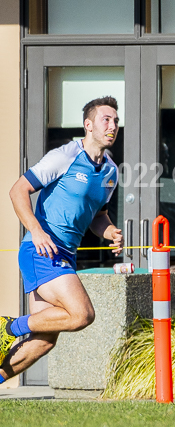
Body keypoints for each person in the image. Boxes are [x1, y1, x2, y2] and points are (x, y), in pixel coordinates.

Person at [0, 96, 123, 385]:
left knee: (44, 342)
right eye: (106, 119)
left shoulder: (110, 172)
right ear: (88, 125)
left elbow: (97, 217)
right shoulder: (64, 156)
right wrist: (36, 230)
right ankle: (7, 327)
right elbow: (18, 190)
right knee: (82, 314)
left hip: (65, 254)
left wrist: (110, 232)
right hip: (40, 250)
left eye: (116, 121)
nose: (113, 125)